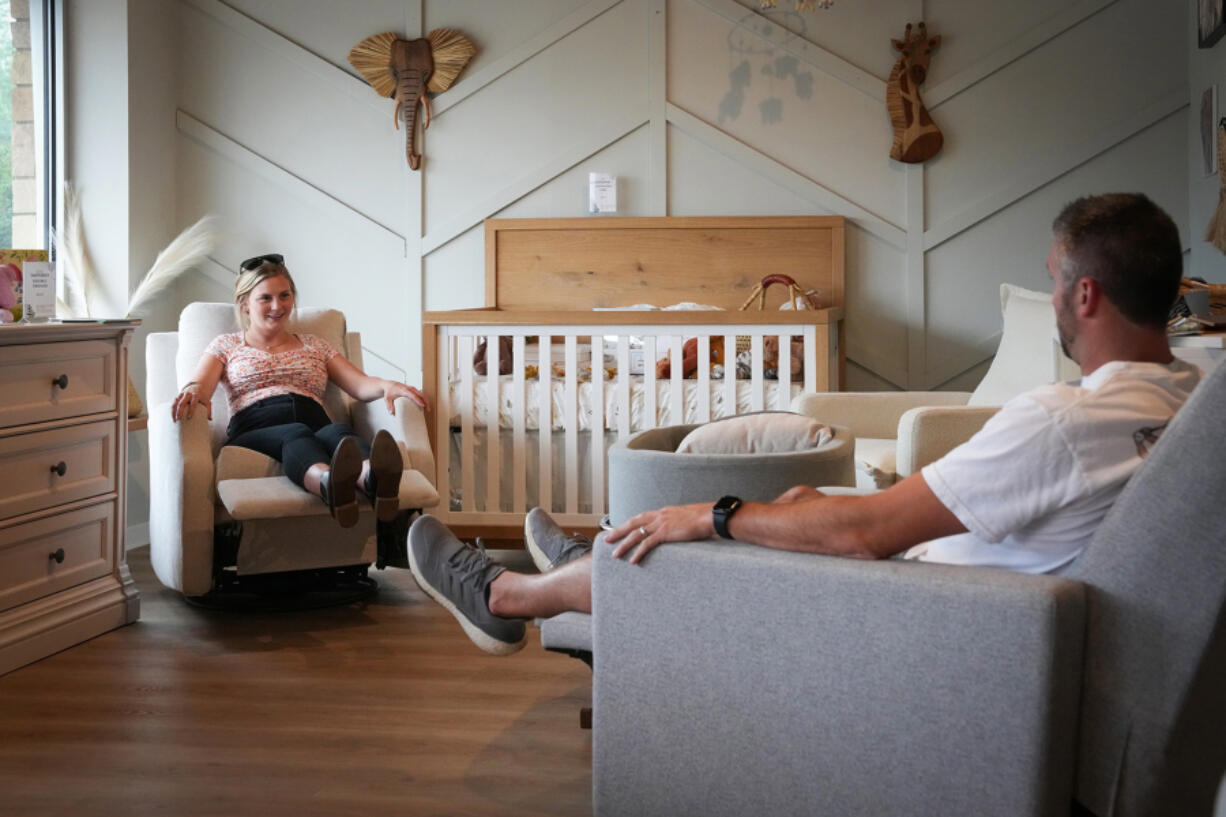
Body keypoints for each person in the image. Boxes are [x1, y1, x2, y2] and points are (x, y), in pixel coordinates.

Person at [406, 193, 1202, 655]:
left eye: (1055, 280)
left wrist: (715, 513)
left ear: (1087, 296)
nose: (1055, 294)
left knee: (690, 541)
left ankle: (508, 594)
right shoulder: (1182, 394)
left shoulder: (1063, 420)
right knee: (792, 501)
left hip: (933, 622)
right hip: (991, 607)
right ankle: (584, 571)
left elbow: (868, 535)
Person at [172, 253, 429, 528]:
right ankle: (329, 485)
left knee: (339, 433)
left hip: (313, 417)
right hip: (255, 425)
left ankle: (374, 480)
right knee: (295, 434)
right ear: (245, 304)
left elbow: (359, 384)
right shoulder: (226, 345)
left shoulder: (315, 345)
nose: (277, 305)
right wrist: (193, 390)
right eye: (266, 298)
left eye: (285, 296)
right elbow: (200, 384)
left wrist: (388, 385)